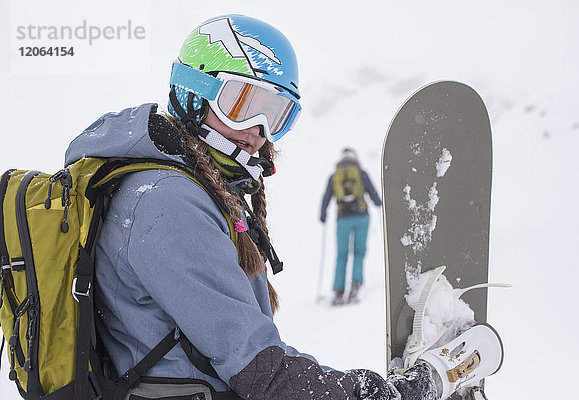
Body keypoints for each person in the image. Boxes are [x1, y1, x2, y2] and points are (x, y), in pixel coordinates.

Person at [64, 14, 503, 400]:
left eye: (275, 114)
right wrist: (378, 396)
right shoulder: (167, 204)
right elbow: (261, 371)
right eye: (241, 104)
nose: (257, 131)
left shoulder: (189, 189)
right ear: (194, 93)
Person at [319, 148, 382, 305]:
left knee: (342, 255)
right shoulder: (360, 173)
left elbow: (326, 197)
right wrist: (378, 203)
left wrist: (323, 214)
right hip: (362, 217)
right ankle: (355, 285)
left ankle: (338, 291)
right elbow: (374, 194)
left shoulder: (335, 176)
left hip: (343, 220)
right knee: (359, 252)